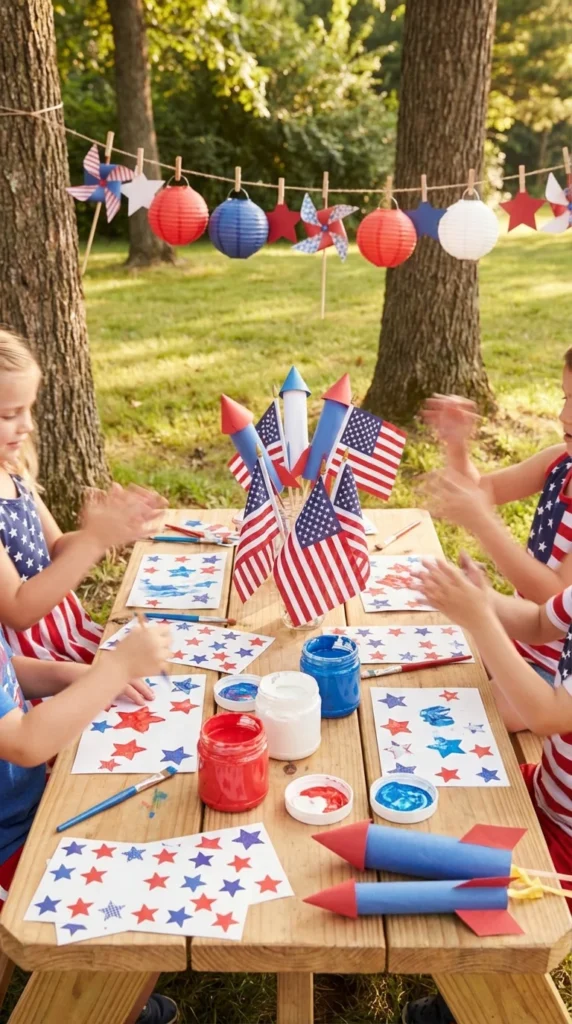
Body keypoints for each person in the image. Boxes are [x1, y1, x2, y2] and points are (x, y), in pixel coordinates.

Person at [402, 554, 572, 1024]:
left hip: (568, 842)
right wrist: (484, 600)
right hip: (546, 789)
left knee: (473, 891)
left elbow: (548, 714)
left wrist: (477, 619)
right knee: (441, 808)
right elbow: (541, 621)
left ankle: (470, 1007)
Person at [0, 620, 178, 1024]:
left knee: (161, 823)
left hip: (28, 804)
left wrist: (78, 676)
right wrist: (113, 669)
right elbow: (24, 742)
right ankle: (98, 1004)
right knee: (149, 888)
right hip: (9, 846)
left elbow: (7, 672)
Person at [0, 329, 165, 673]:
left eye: (29, 409)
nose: (28, 425)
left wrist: (112, 530)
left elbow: (57, 547)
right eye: (8, 415)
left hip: (65, 633)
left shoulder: (10, 469)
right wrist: (93, 540)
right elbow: (18, 610)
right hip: (29, 664)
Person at [423, 355, 572, 728]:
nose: (564, 416)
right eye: (564, 398)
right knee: (427, 671)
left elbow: (551, 593)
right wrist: (457, 446)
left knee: (458, 717)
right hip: (517, 632)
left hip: (551, 676)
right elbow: (482, 490)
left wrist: (483, 524)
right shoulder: (559, 462)